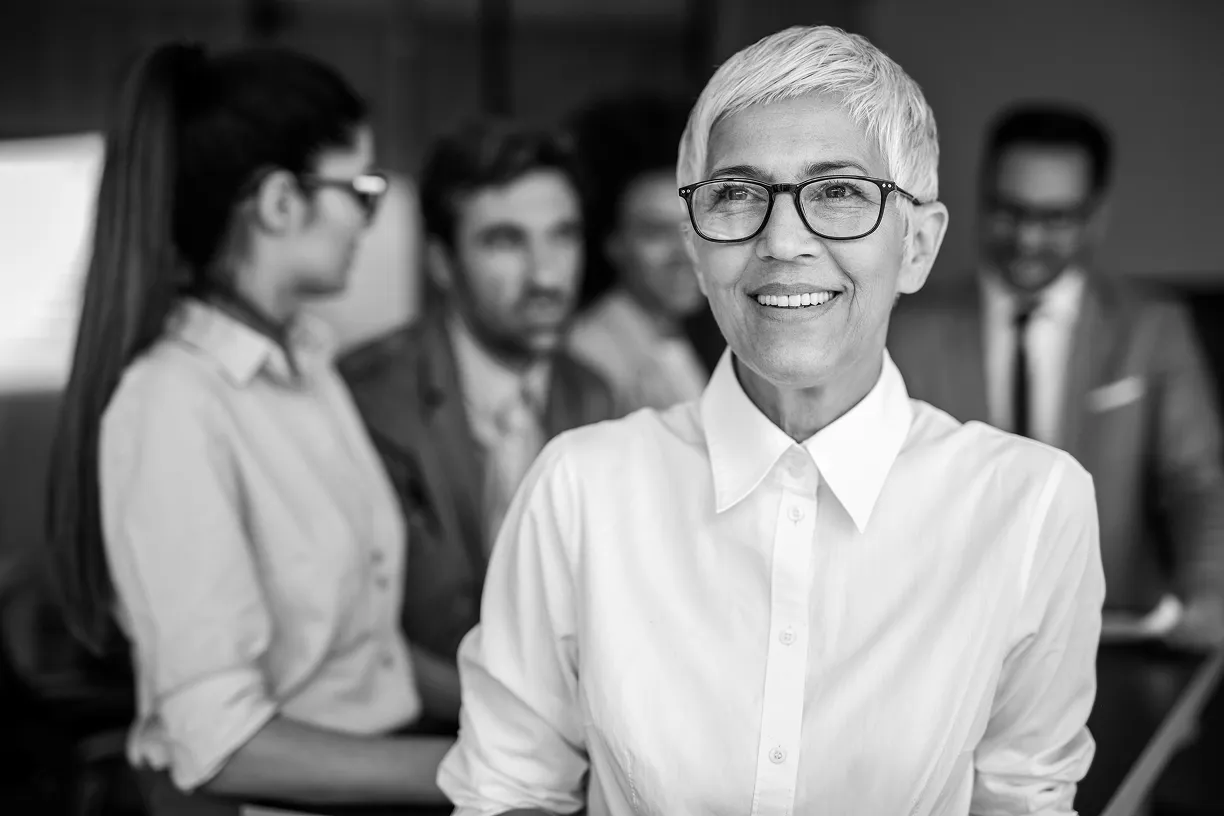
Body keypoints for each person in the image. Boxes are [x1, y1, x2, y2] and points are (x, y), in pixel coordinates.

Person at [437, 25, 1104, 816]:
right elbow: (508, 795)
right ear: (696, 248)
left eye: (839, 193)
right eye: (735, 195)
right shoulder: (580, 489)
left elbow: (1022, 800)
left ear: (918, 246)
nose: (782, 241)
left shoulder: (1028, 506)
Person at [43, 42, 453, 815]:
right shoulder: (171, 404)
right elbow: (222, 744)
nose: (367, 216)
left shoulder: (306, 360)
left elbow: (363, 655)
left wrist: (530, 708)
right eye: (359, 189)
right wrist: (484, 771)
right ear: (278, 203)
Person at [888, 103, 1224, 647]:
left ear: (1097, 215)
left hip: (1109, 640)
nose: (1026, 238)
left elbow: (1197, 481)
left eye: (1055, 219)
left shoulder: (1154, 329)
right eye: (1008, 211)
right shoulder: (906, 328)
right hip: (951, 643)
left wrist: (1209, 591)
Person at [339, 120, 617, 730]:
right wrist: (531, 728)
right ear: (441, 261)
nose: (547, 276)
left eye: (563, 236)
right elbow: (355, 640)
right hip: (412, 754)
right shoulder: (364, 399)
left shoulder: (593, 394)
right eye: (505, 242)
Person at [566, 94, 724, 411]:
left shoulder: (681, 334)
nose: (685, 252)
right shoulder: (590, 354)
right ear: (613, 243)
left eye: (693, 225)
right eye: (655, 233)